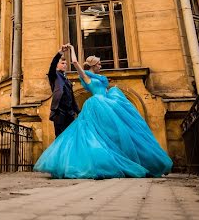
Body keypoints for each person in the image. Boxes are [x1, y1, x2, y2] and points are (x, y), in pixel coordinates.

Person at [34, 46, 173, 179]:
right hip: (89, 106)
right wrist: (70, 48)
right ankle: (61, 166)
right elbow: (75, 62)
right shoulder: (77, 76)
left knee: (111, 133)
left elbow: (74, 95)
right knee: (75, 137)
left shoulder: (98, 79)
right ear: (93, 65)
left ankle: (143, 161)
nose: (101, 66)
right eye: (99, 64)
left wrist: (78, 110)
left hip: (100, 105)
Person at [47, 44, 80, 137]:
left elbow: (72, 97)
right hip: (59, 111)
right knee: (60, 137)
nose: (65, 65)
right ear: (57, 65)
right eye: (62, 63)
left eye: (66, 63)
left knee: (71, 136)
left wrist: (78, 112)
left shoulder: (67, 80)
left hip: (69, 112)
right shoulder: (54, 76)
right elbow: (52, 65)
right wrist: (60, 53)